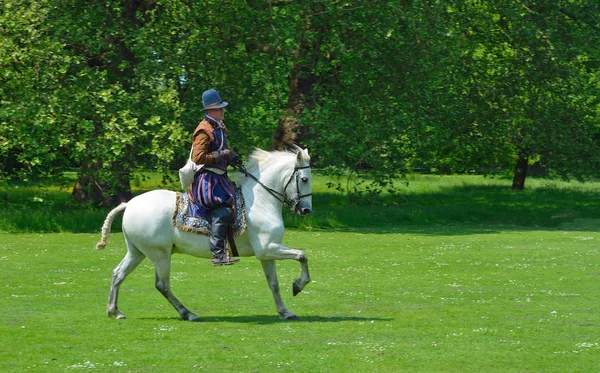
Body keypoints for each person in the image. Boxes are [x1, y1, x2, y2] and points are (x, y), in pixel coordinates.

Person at [188, 89, 240, 266]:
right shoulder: (204, 130)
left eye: (222, 108)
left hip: (219, 178)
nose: (223, 111)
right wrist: (220, 155)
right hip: (207, 180)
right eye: (219, 109)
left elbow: (222, 150)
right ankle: (217, 255)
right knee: (223, 211)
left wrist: (231, 156)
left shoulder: (219, 127)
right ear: (210, 111)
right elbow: (198, 157)